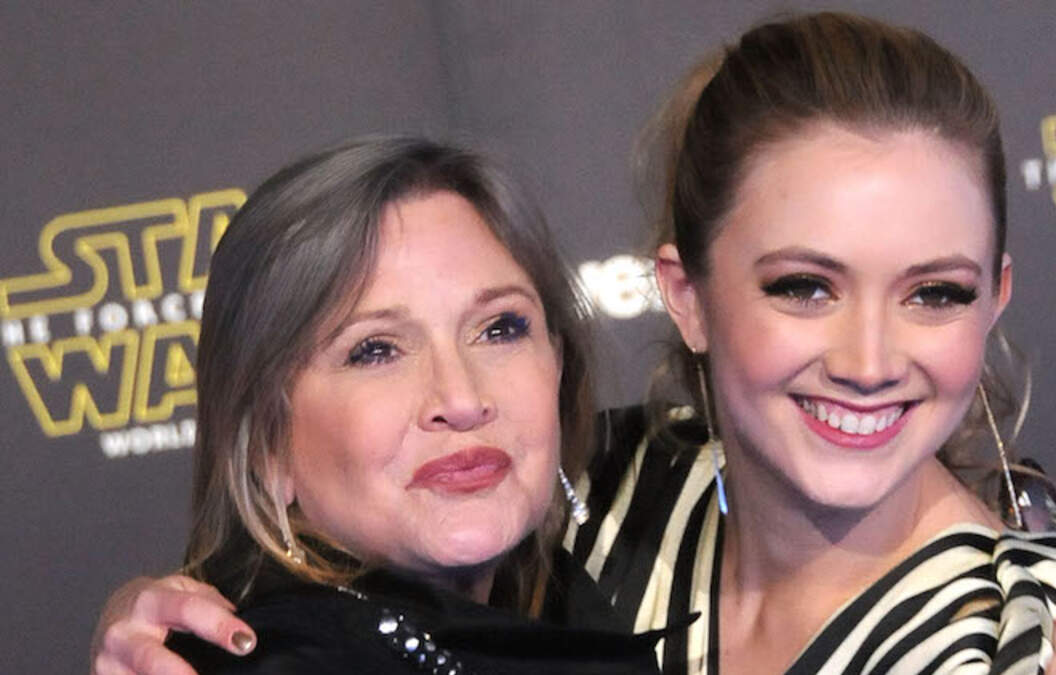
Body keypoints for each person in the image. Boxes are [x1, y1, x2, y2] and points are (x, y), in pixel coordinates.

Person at [91, 12, 1056, 675]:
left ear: (994, 300)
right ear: (687, 297)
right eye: (804, 286)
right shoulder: (599, 501)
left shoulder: (1038, 643)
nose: (868, 357)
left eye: (933, 293)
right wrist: (175, 611)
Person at [97, 136, 663, 674]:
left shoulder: (583, 600)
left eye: (499, 328)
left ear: (559, 363)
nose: (462, 400)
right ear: (266, 440)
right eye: (375, 351)